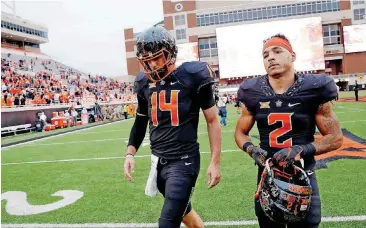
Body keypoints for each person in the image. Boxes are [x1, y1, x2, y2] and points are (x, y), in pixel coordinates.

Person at [234, 34, 343, 228]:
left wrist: (300, 150)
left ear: (292, 56)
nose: (270, 57)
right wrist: (252, 150)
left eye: (277, 51)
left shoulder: (315, 87)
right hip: (267, 178)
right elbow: (240, 133)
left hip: (303, 176)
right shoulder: (252, 90)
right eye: (265, 54)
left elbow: (335, 138)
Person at [123, 26, 221, 228]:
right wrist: (129, 154)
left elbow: (212, 121)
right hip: (158, 163)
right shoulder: (143, 82)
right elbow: (141, 121)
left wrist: (215, 162)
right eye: (146, 60)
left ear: (170, 53)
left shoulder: (192, 75)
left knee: (167, 223)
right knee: (185, 213)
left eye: (157, 58)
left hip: (184, 162)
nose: (151, 64)